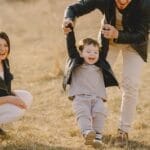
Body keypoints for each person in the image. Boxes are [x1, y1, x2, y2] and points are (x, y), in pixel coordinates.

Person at [62, 0, 150, 147]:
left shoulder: (145, 4)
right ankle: (88, 124)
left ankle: (123, 131)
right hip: (108, 40)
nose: (122, 2)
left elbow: (142, 35)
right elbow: (74, 8)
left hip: (135, 43)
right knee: (95, 75)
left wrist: (118, 34)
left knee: (131, 84)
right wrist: (68, 19)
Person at [63, 24, 118, 148]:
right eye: (88, 51)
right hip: (80, 97)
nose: (92, 54)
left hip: (97, 97)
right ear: (81, 53)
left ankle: (97, 136)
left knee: (100, 113)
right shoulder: (77, 61)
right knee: (83, 113)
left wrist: (104, 32)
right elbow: (71, 47)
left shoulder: (100, 63)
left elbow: (105, 47)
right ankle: (87, 132)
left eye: (95, 52)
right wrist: (70, 32)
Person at [0, 32, 32, 136]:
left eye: (5, 45)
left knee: (27, 97)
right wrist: (10, 99)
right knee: (17, 111)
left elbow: (5, 87)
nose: (3, 49)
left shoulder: (5, 62)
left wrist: (13, 95)